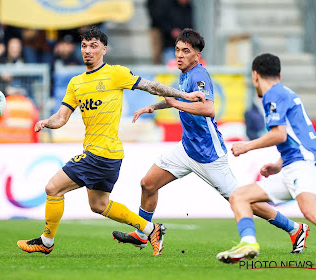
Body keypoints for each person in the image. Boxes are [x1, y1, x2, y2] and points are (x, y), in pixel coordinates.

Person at [111, 29, 308, 256]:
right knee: (148, 183)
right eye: (177, 50)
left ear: (197, 55)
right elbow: (182, 97)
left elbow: (208, 108)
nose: (180, 55)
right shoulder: (185, 74)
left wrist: (174, 104)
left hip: (209, 155)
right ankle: (144, 232)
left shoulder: (199, 76)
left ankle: (295, 228)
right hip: (187, 149)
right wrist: (155, 106)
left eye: (186, 51)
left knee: (242, 200)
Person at [16, 26, 205, 256]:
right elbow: (62, 117)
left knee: (53, 188)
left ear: (104, 50)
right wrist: (47, 122)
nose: (88, 51)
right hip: (108, 156)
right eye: (84, 46)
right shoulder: (76, 83)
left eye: (93, 46)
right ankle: (150, 228)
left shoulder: (116, 73)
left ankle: (46, 242)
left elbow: (152, 86)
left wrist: (184, 95)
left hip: (100, 153)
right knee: (99, 205)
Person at [217, 53, 315, 263]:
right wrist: (278, 165)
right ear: (279, 74)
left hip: (302, 167)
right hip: (293, 166)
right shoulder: (285, 92)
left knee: (309, 210)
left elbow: (279, 134)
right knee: (240, 196)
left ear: (255, 75)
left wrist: (247, 146)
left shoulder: (273, 94)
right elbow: (297, 136)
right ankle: (248, 243)